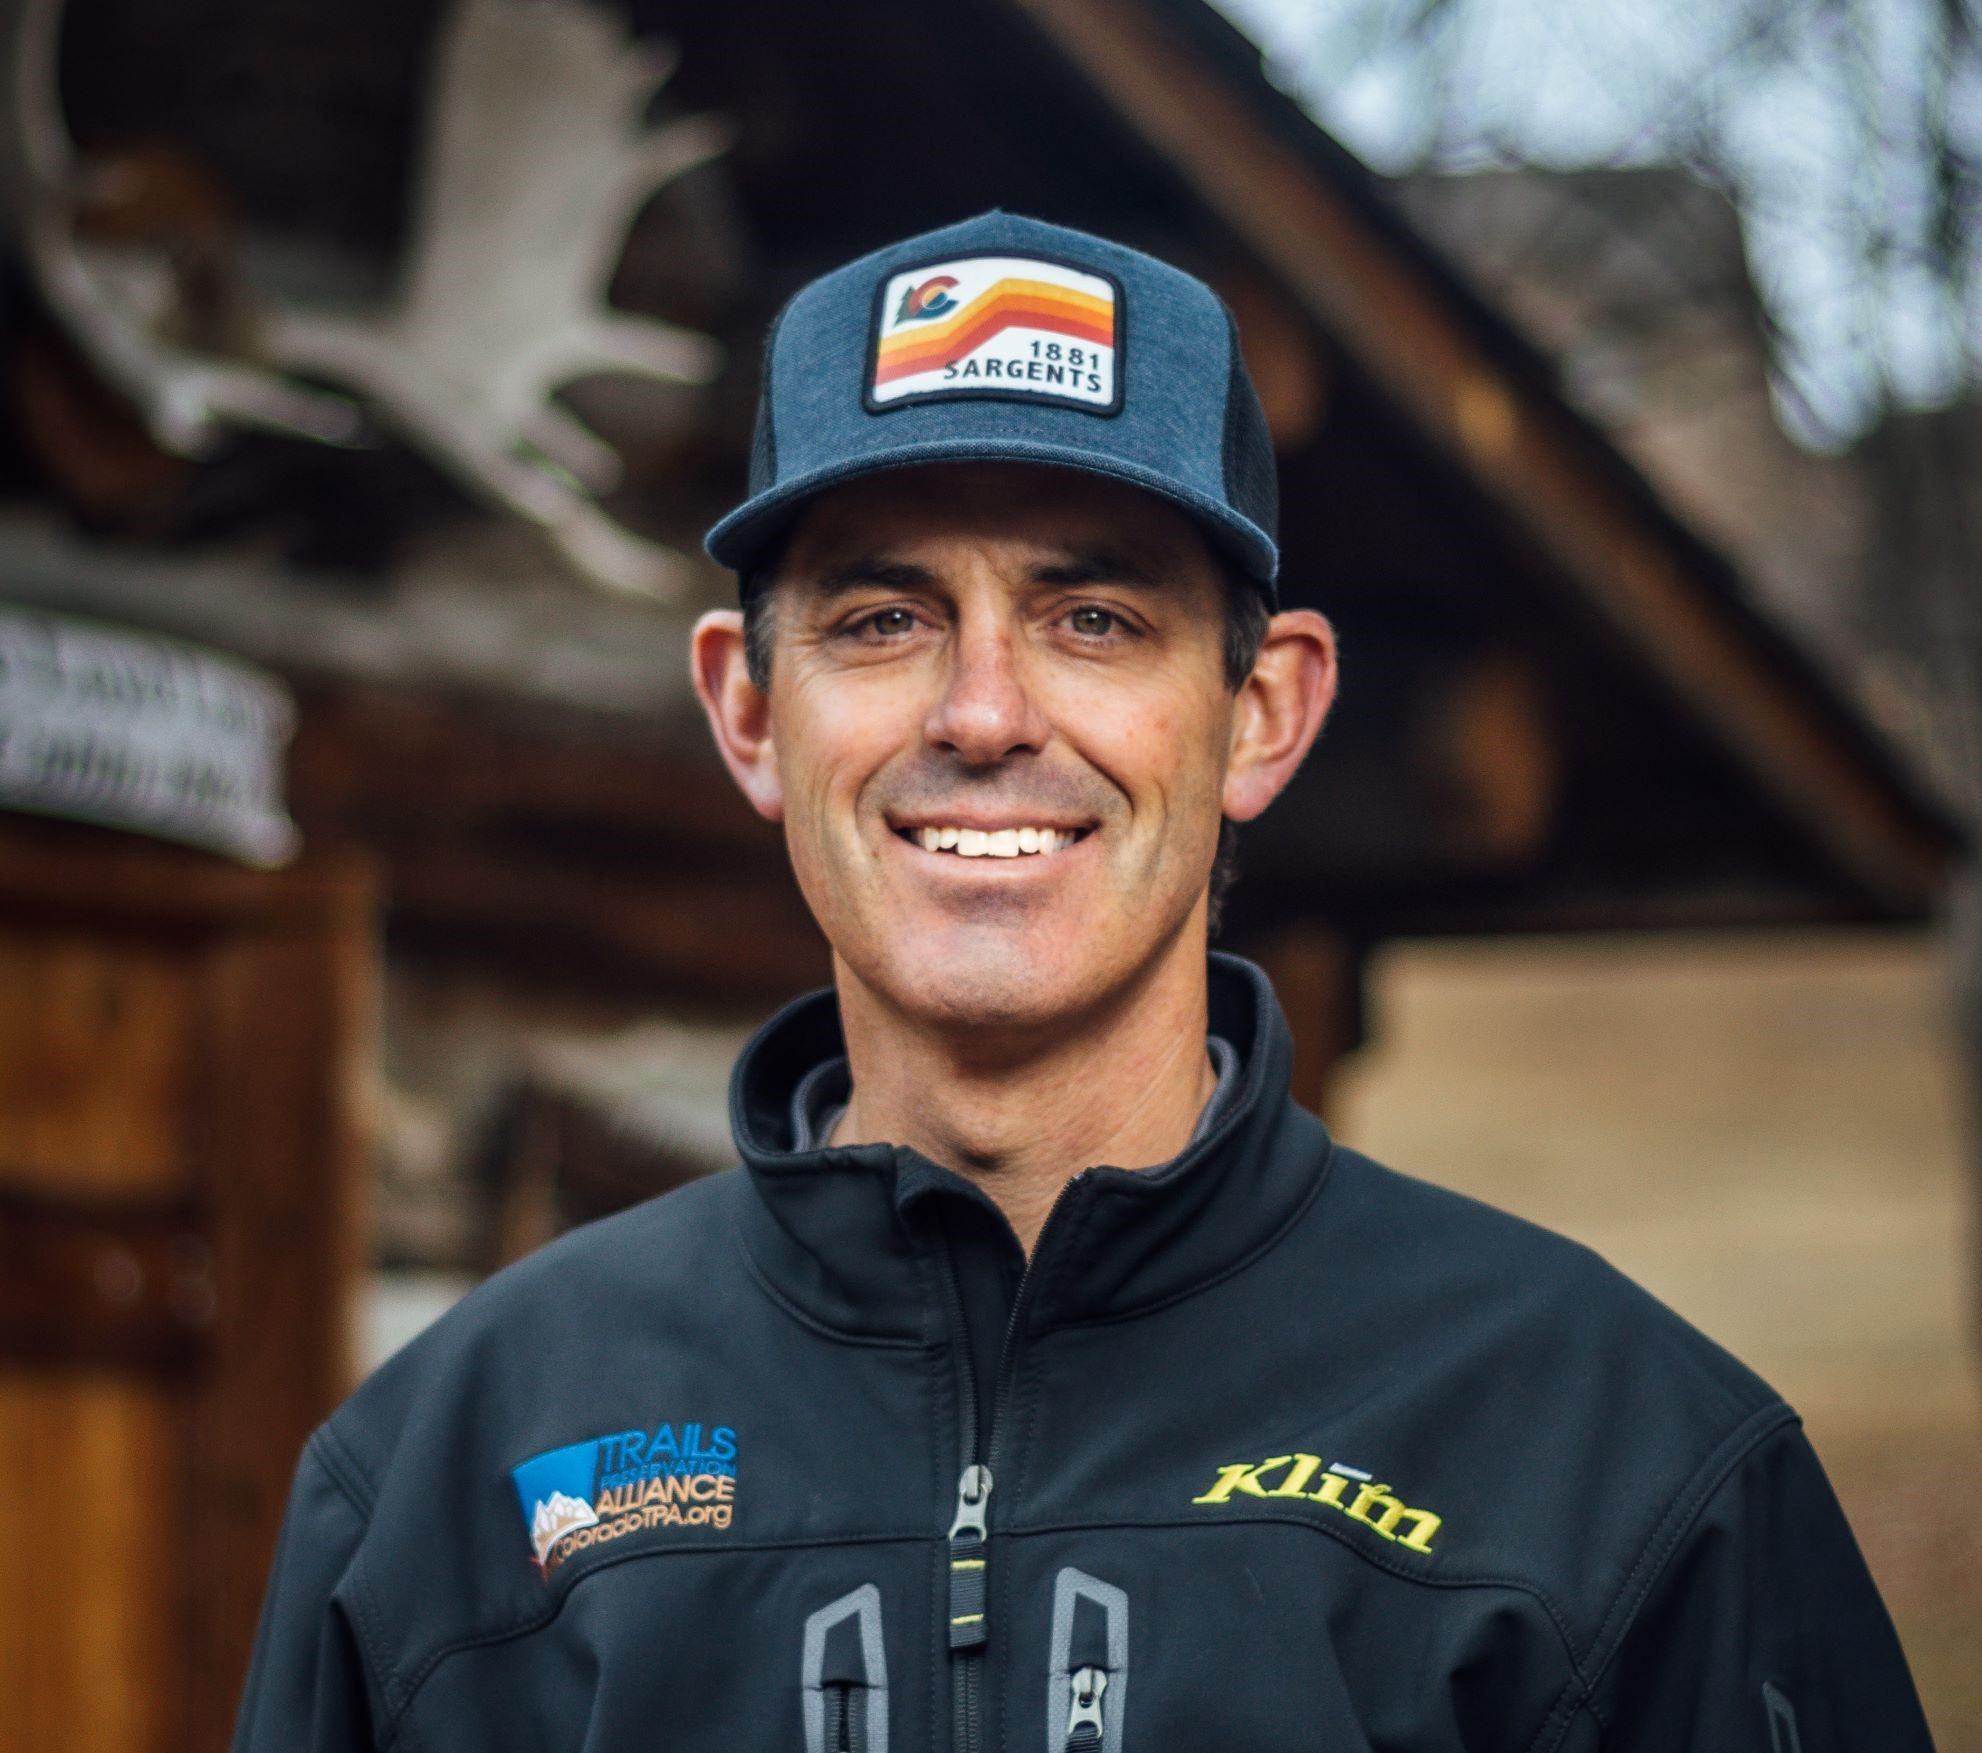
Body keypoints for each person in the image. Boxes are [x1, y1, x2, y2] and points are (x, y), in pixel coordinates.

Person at [232, 212, 1934, 1753]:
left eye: (1093, 618)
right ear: (749, 713)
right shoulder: (449, 1480)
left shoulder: (1613, 1459)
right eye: (883, 618)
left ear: (1260, 710)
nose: (981, 714)